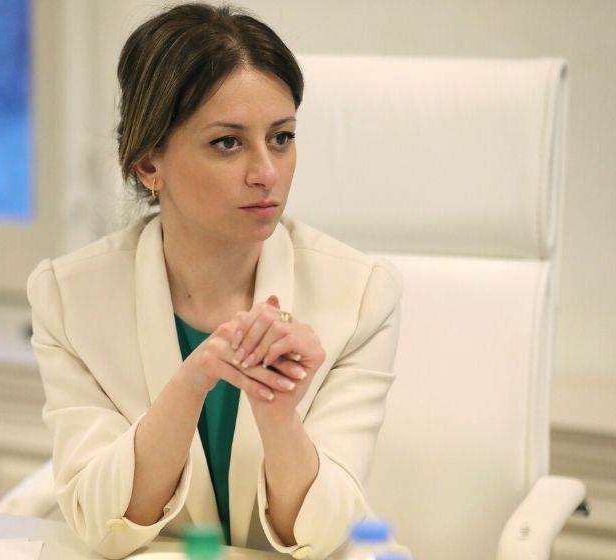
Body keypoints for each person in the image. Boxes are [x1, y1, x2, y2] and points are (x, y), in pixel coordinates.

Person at [26, 3, 404, 559]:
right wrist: (193, 381)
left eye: (281, 138)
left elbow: (324, 536)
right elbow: (103, 527)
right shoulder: (68, 297)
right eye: (227, 143)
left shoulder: (360, 295)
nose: (267, 173)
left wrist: (277, 414)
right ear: (149, 165)